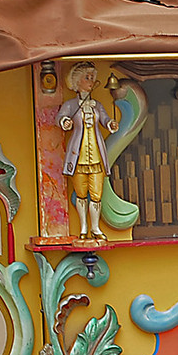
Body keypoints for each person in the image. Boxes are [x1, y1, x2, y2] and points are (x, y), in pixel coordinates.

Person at [58, 61, 118, 239]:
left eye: (92, 77)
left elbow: (106, 118)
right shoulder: (71, 104)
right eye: (87, 78)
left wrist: (110, 124)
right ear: (77, 82)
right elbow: (60, 117)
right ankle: (83, 228)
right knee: (81, 193)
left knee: (96, 194)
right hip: (78, 156)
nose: (91, 81)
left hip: (97, 156)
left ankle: (95, 228)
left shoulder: (97, 105)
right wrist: (65, 122)